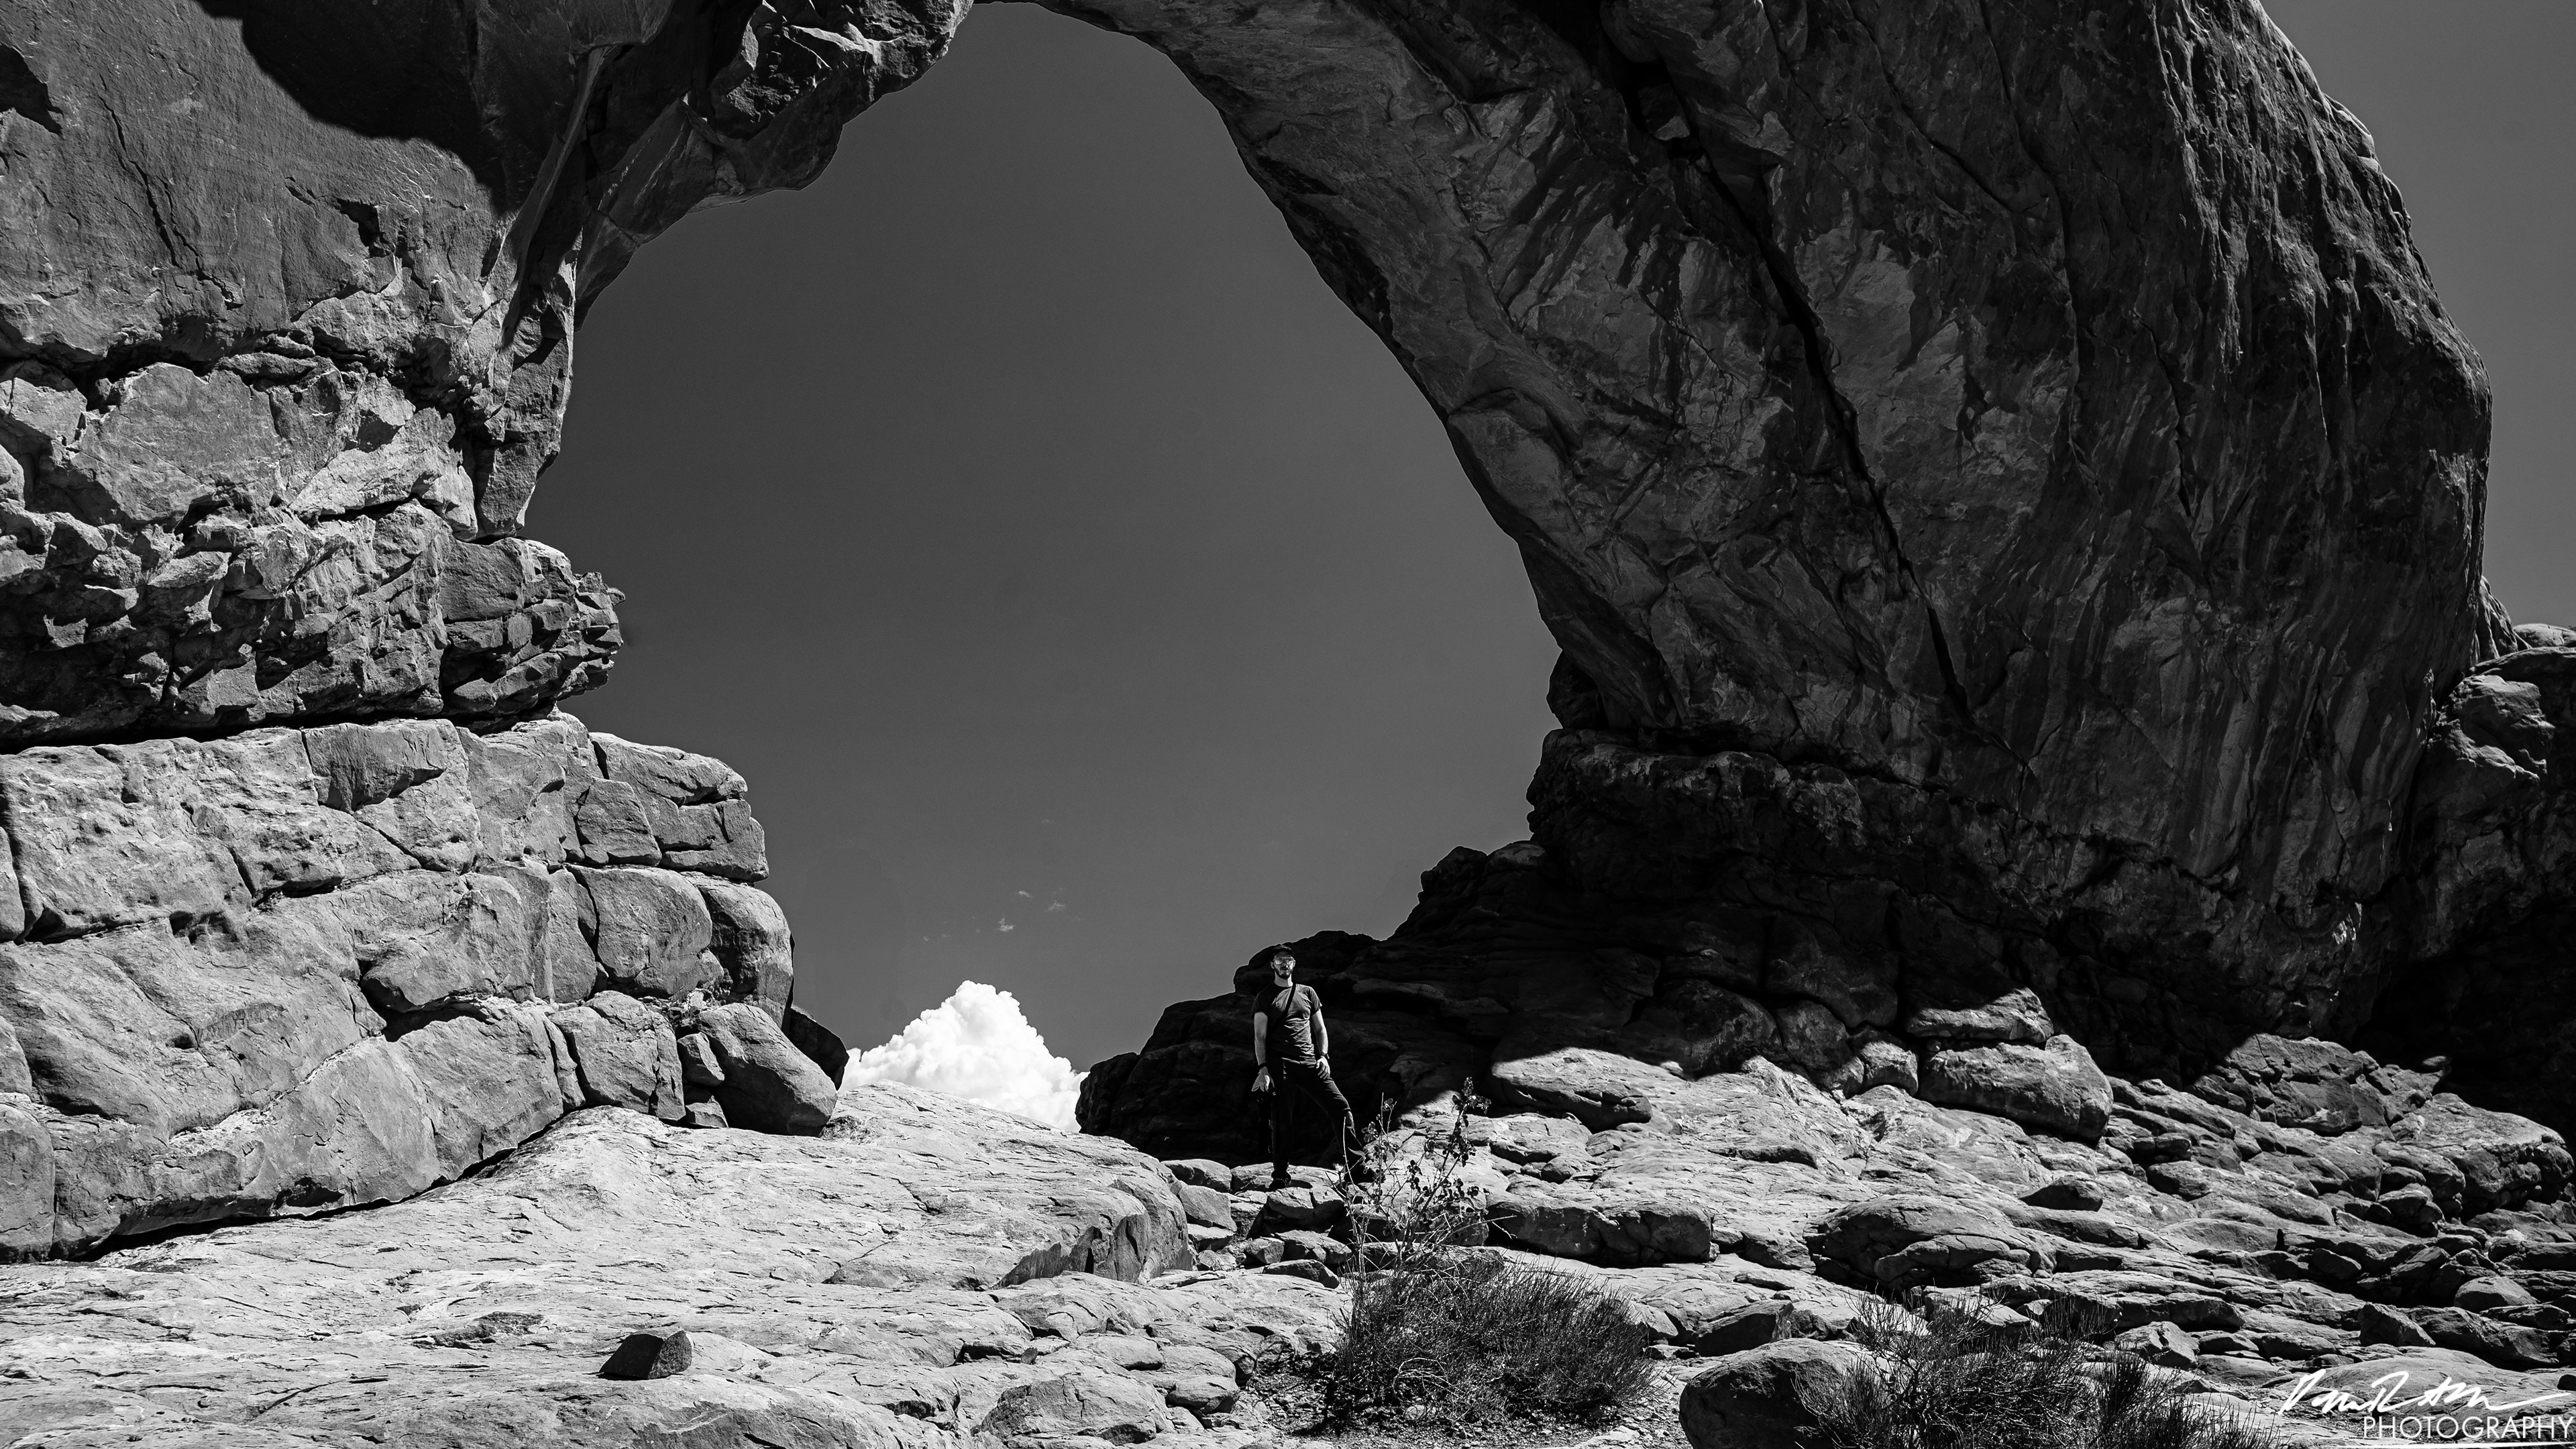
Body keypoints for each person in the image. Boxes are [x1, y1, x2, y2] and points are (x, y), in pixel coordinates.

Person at [1249, 947, 1353, 1191]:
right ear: (1272, 965)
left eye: (1288, 960)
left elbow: (1320, 1030)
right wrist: (1263, 1070)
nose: (1284, 964)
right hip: (1280, 1065)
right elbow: (1259, 1037)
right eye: (1279, 961)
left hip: (1310, 1062)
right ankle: (1280, 1175)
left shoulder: (1308, 993)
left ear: (1294, 964)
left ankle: (1356, 1169)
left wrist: (1324, 1056)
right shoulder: (1265, 997)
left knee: (1340, 1107)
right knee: (1282, 1119)